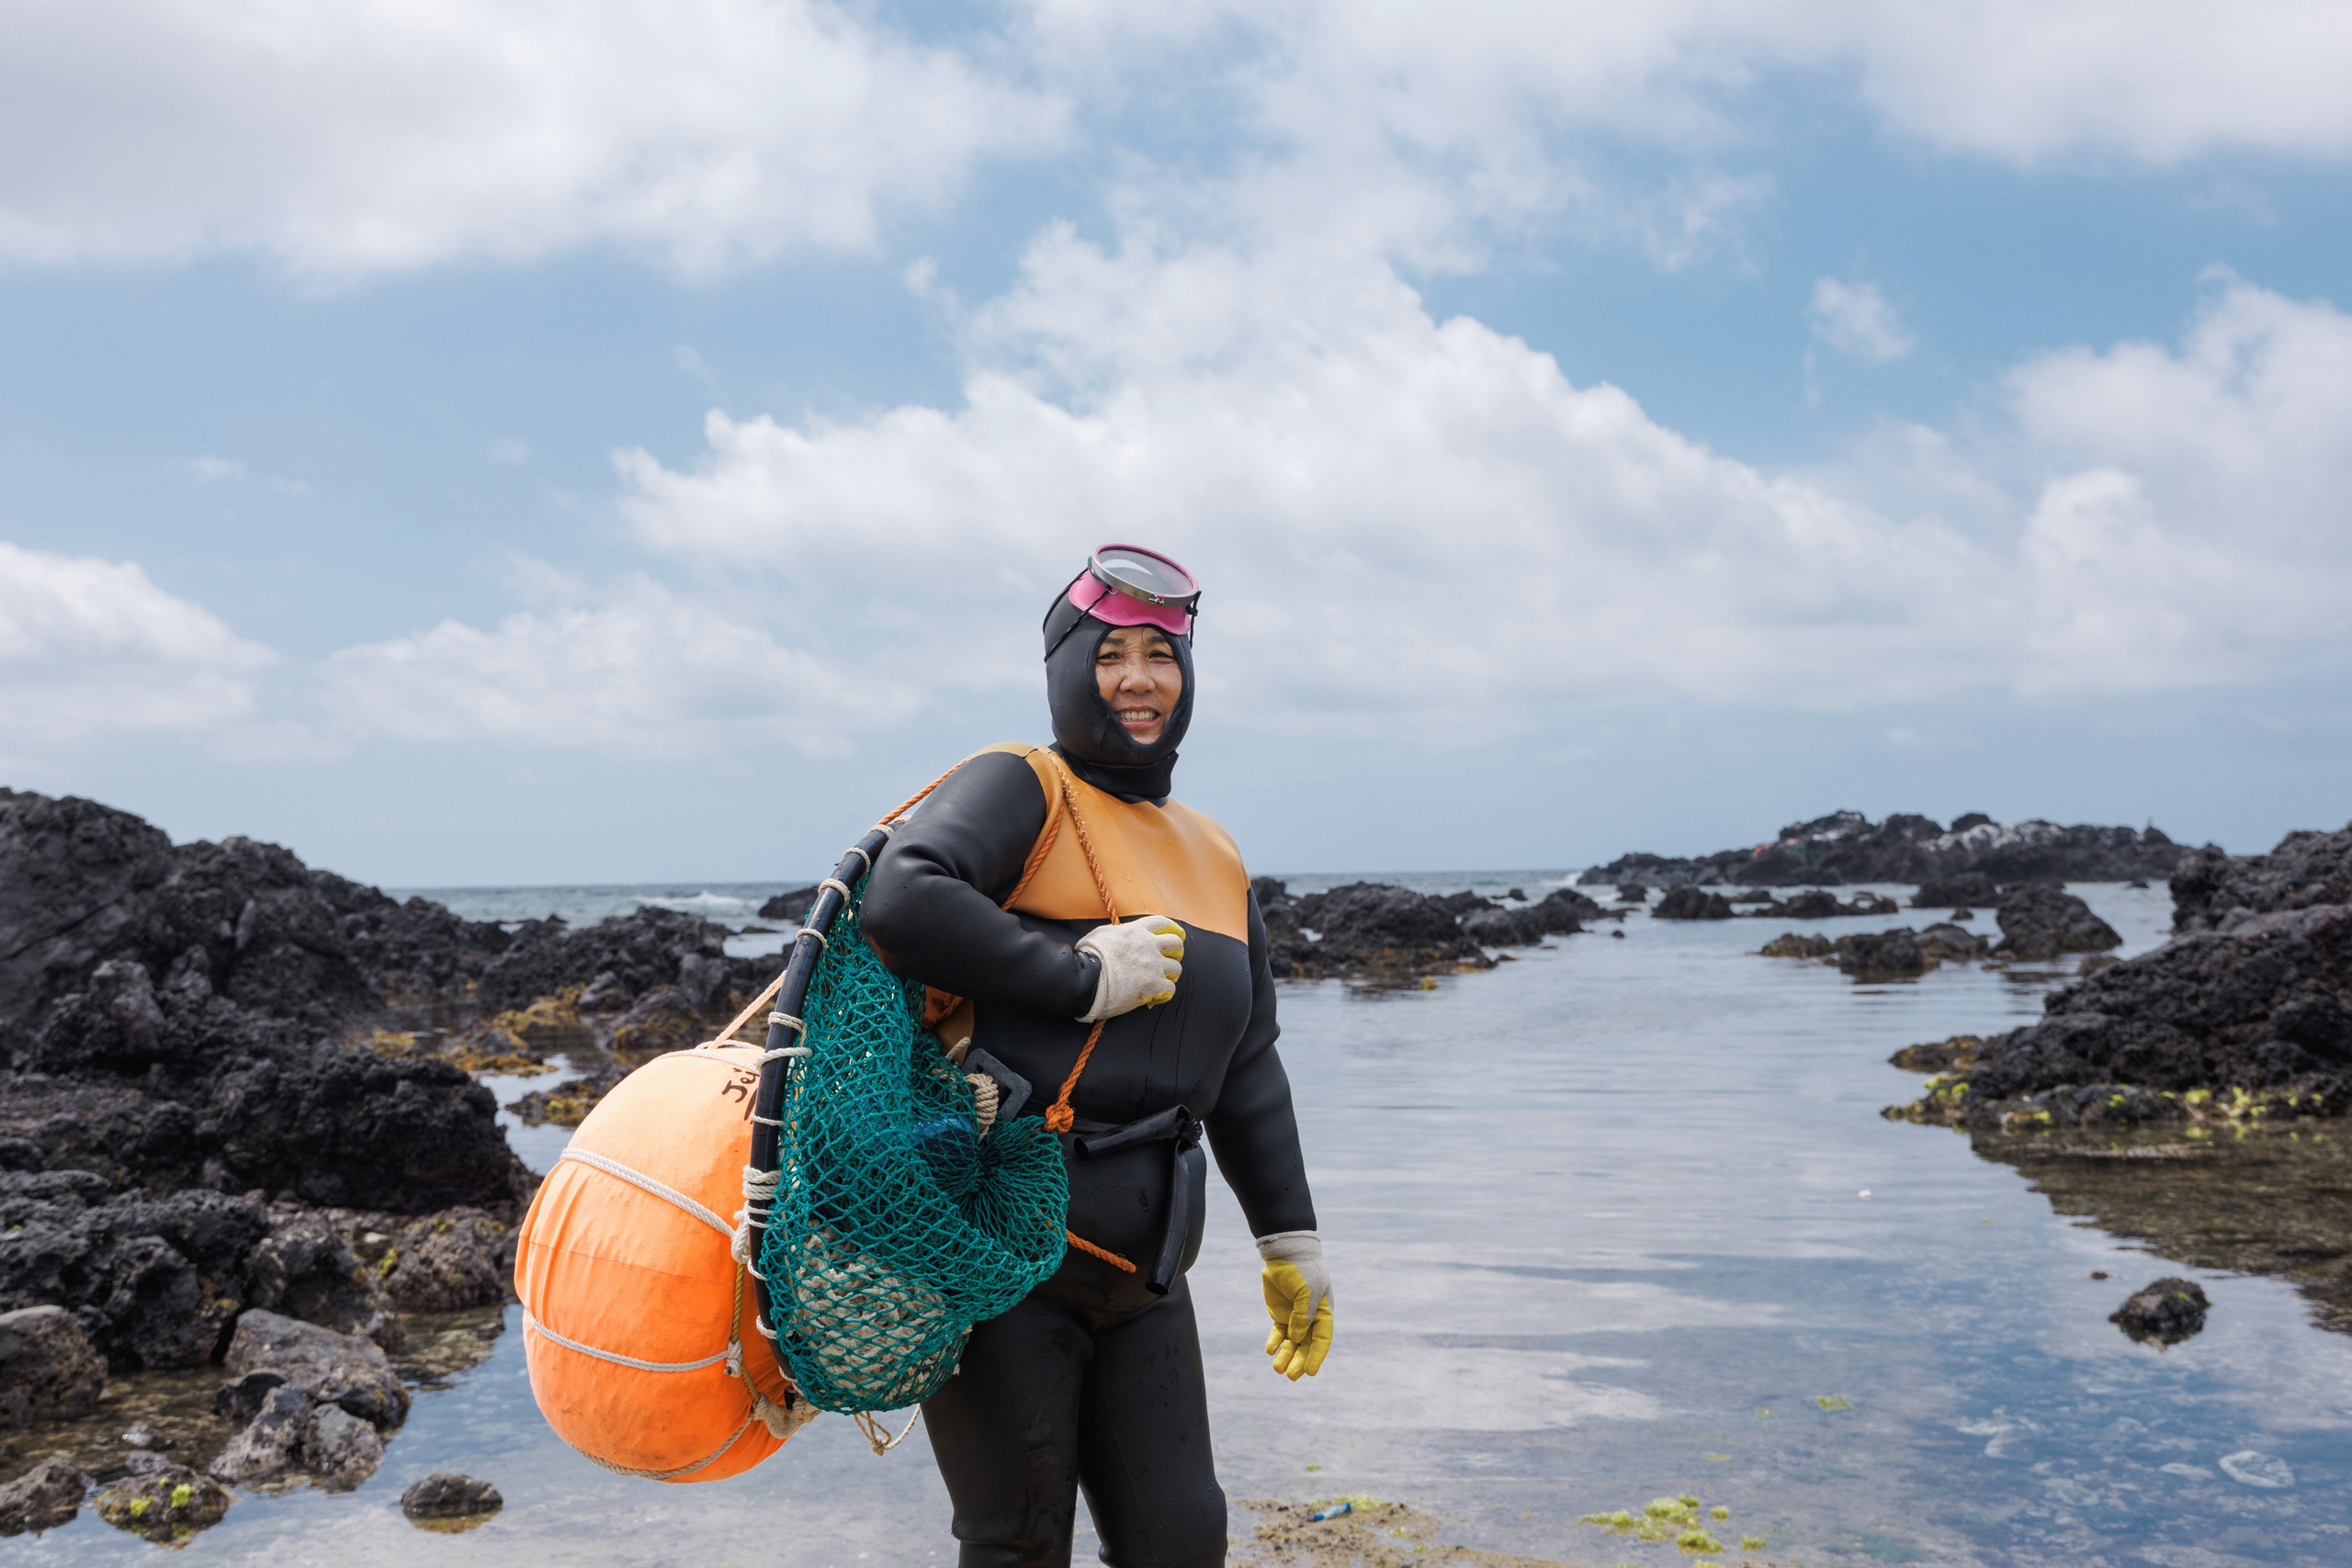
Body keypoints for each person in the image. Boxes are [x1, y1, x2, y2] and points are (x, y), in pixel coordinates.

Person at [861, 545, 1332, 1568]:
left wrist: (1289, 1241)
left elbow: (1248, 1065)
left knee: (1181, 1540)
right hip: (1004, 1252)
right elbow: (901, 900)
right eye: (1110, 653)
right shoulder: (1023, 786)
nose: (1136, 679)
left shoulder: (1215, 852)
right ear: (1067, 668)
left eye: (1160, 656)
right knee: (1018, 1542)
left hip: (1149, 1267)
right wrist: (1080, 976)